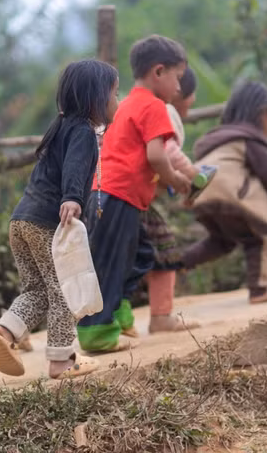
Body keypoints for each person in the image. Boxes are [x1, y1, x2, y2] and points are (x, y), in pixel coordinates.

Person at [0, 59, 119, 379]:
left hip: (21, 220)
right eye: (114, 94)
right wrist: (72, 198)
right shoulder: (83, 132)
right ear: (95, 98)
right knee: (62, 289)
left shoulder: (58, 125)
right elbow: (74, 166)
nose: (117, 101)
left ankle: (3, 333)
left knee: (37, 290)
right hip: (48, 222)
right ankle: (61, 360)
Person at [77, 35, 192, 354]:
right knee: (110, 264)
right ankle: (96, 333)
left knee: (141, 255)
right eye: (177, 78)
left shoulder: (127, 103)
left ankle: (118, 309)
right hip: (120, 194)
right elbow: (157, 156)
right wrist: (178, 180)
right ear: (158, 72)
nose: (179, 89)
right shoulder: (154, 106)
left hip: (109, 194)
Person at [181, 81, 267, 304]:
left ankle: (175, 264)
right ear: (263, 113)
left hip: (201, 196)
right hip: (229, 195)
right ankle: (259, 290)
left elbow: (206, 168)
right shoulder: (250, 140)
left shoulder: (215, 141)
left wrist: (190, 197)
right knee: (256, 238)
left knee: (221, 241)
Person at [140, 67, 214, 334]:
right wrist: (192, 174)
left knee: (113, 262)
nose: (191, 100)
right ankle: (160, 316)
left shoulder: (137, 107)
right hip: (132, 202)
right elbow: (167, 151)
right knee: (164, 252)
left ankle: (115, 321)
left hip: (115, 198)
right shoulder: (162, 110)